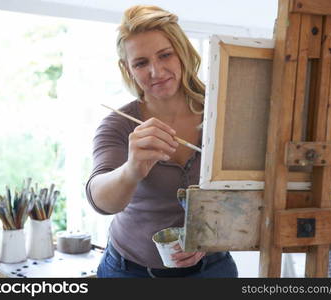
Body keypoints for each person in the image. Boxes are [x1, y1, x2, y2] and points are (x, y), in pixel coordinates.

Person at [85, 5, 238, 278]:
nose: (156, 71)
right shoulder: (119, 124)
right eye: (141, 63)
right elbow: (100, 200)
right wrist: (131, 169)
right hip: (130, 272)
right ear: (128, 69)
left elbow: (247, 193)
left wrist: (209, 237)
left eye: (165, 55)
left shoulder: (223, 114)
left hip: (212, 269)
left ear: (182, 54)